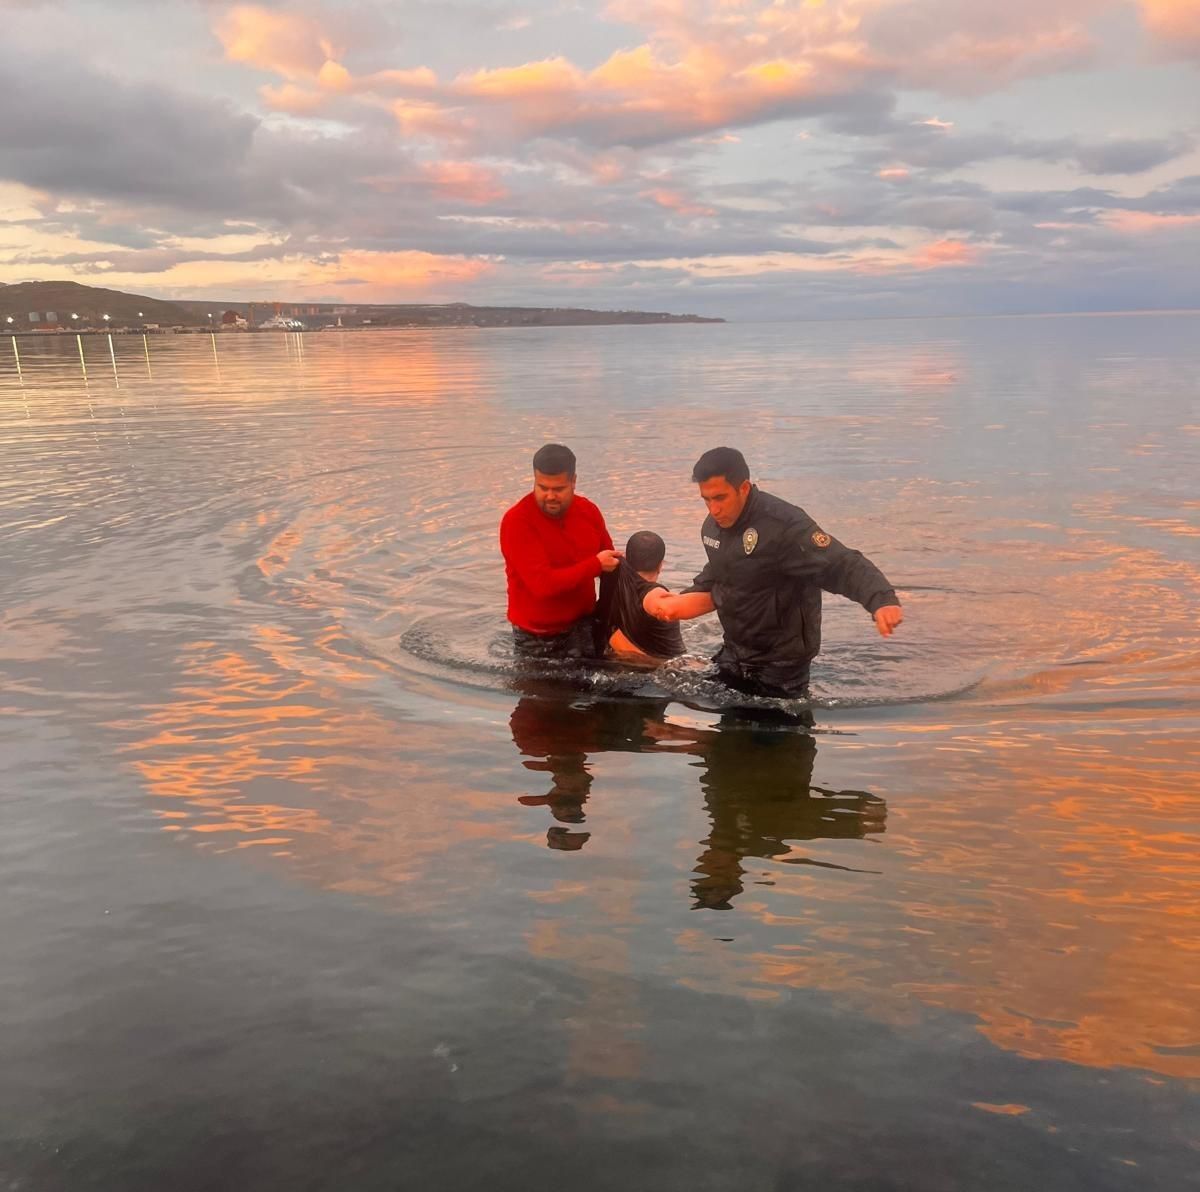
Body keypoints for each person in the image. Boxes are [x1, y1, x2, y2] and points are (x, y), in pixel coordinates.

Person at [652, 446, 903, 698]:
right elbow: (720, 572)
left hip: (781, 666)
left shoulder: (784, 526)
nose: (713, 509)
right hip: (735, 652)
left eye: (720, 498)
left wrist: (881, 599)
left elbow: (840, 564)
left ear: (744, 488)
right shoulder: (713, 528)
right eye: (706, 500)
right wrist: (677, 601)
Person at [500, 443, 623, 659]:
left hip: (585, 624)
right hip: (537, 637)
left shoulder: (588, 511)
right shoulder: (517, 521)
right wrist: (595, 565)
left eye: (558, 489)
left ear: (573, 481)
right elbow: (542, 585)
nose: (550, 496)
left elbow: (610, 564)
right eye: (542, 487)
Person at [602, 531, 709, 663]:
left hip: (613, 659)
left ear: (626, 557)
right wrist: (720, 597)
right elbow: (665, 608)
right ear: (660, 565)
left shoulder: (612, 570)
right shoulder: (652, 593)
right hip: (661, 669)